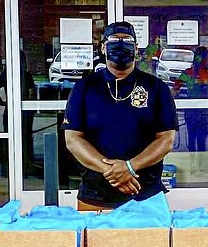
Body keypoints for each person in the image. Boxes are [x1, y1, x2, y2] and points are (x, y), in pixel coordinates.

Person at [62, 22, 179, 210]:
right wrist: (114, 172)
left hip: (145, 195)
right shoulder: (84, 87)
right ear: (102, 47)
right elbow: (73, 139)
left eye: (127, 41)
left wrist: (131, 167)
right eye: (114, 40)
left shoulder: (156, 88)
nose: (121, 45)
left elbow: (166, 140)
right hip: (94, 197)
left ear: (136, 48)